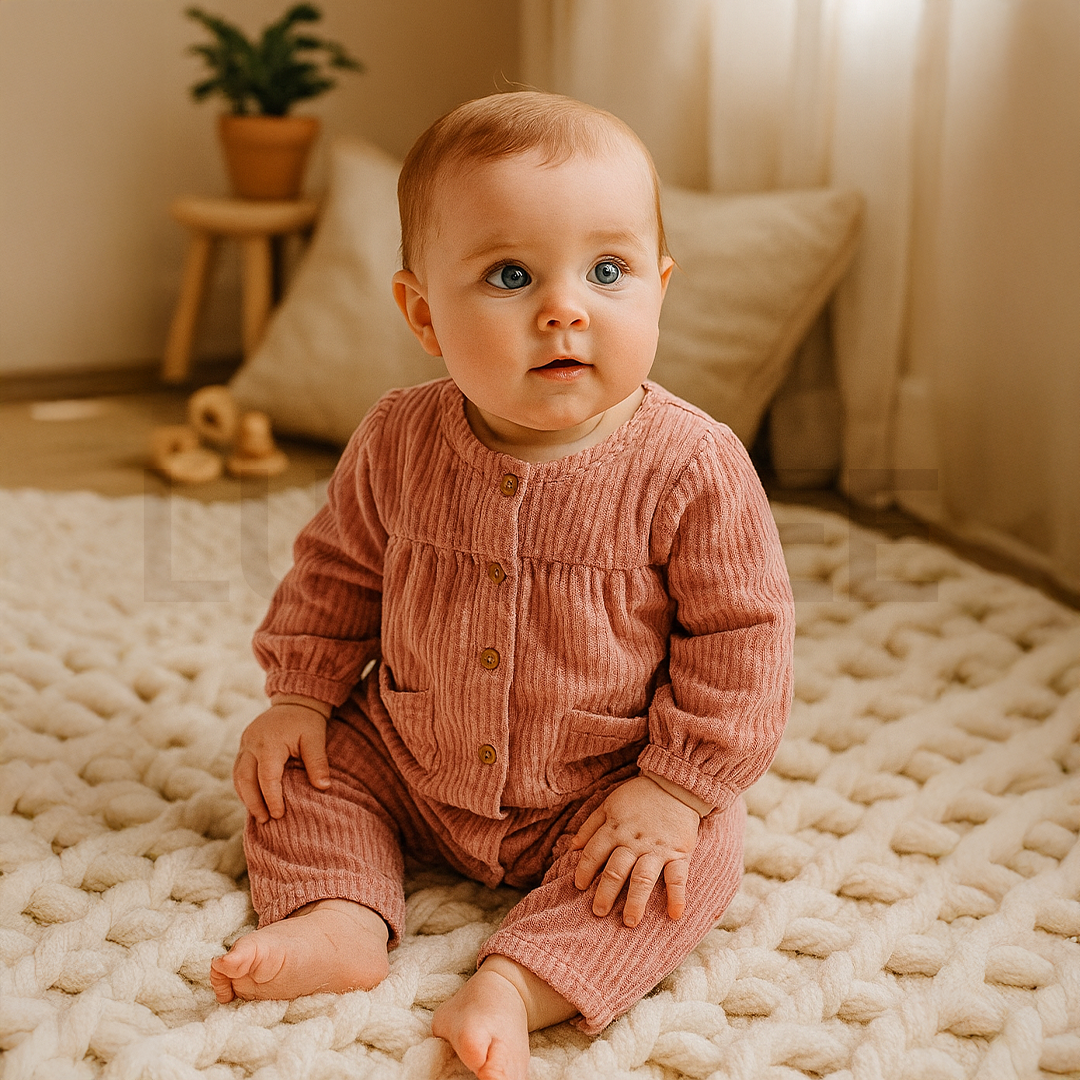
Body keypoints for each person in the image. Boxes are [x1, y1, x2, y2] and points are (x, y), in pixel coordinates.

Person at [209, 91, 795, 1080]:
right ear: (423, 314)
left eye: (607, 272)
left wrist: (674, 785)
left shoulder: (694, 465)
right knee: (294, 771)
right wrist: (300, 694)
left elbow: (743, 640)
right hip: (410, 750)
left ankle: (520, 983)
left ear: (658, 286)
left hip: (601, 786)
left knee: (699, 851)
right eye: (511, 275)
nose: (565, 307)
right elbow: (337, 569)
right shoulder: (397, 437)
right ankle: (341, 914)